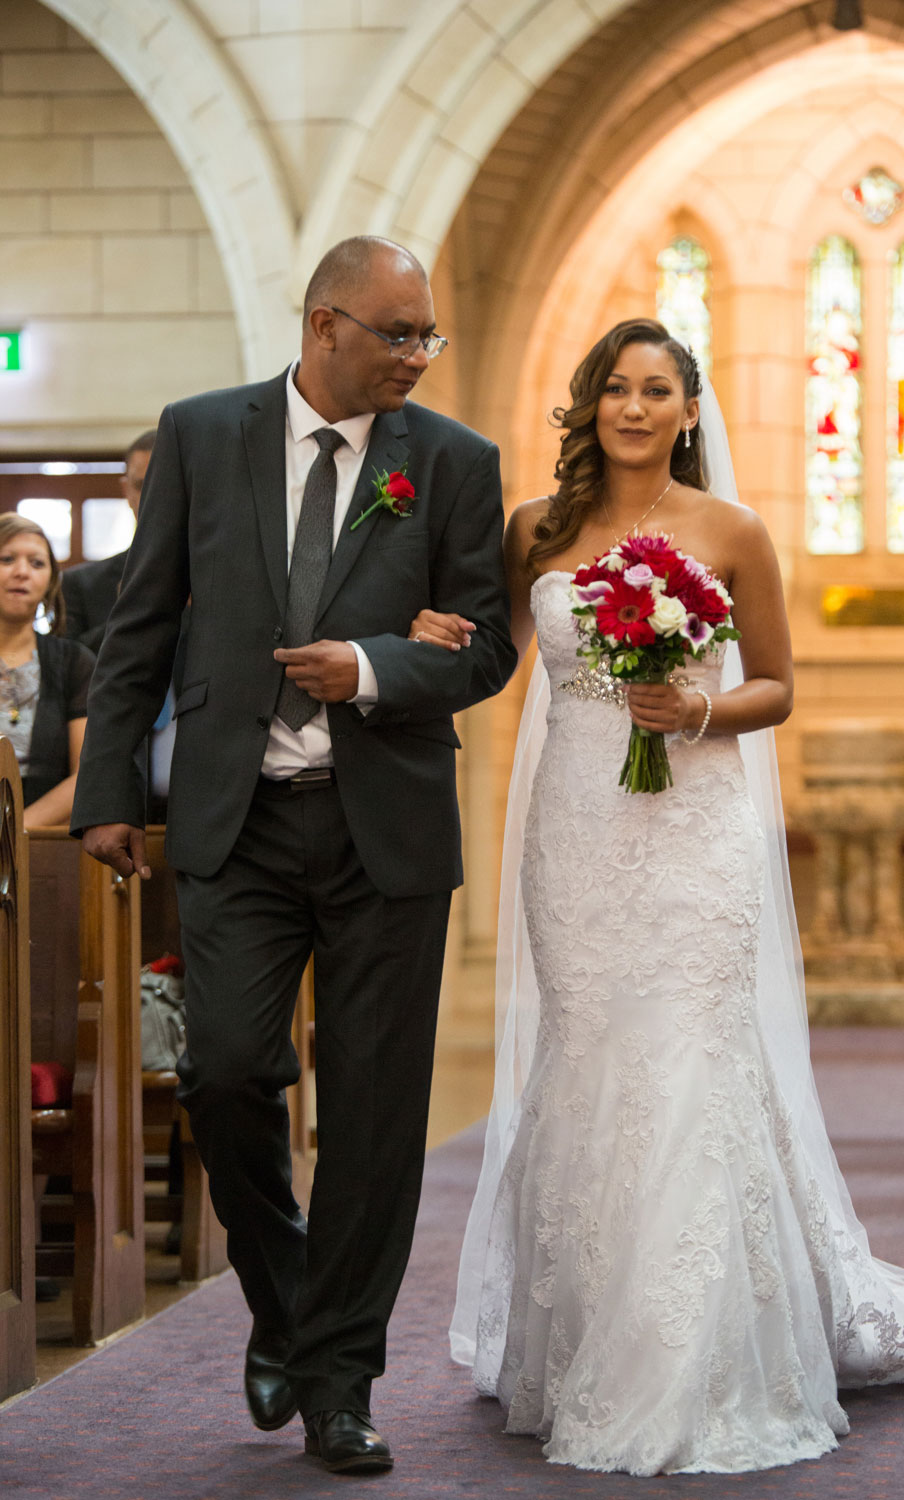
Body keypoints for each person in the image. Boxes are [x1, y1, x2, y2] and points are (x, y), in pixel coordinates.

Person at [418, 319, 904, 1476]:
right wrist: (436, 633)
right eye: (616, 389)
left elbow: (776, 682)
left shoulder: (731, 531)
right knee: (591, 1056)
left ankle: (691, 1350)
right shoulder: (538, 526)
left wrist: (699, 711)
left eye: (657, 390)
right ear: (590, 404)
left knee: (686, 1056)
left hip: (693, 825)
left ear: (690, 409)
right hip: (576, 826)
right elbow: (493, 650)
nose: (634, 407)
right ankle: (586, 1334)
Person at [70, 236, 517, 1476]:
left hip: (387, 826)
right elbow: (141, 622)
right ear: (325, 326)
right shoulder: (205, 436)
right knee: (221, 1073)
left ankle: (339, 1382)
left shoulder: (454, 464)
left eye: (427, 336)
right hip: (238, 820)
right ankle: (289, 1301)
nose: (418, 358)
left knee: (376, 1118)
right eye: (397, 334)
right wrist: (108, 789)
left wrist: (378, 666)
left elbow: (485, 649)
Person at [0, 514, 94, 829]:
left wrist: (13, 838)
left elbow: (86, 776)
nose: (22, 572)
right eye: (7, 559)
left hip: (43, 837)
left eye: (37, 563)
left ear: (51, 581)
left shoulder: (75, 663)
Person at [62, 429, 156, 653]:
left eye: (162, 485)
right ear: (126, 490)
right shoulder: (81, 584)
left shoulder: (219, 576)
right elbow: (69, 667)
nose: (152, 497)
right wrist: (132, 612)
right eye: (142, 486)